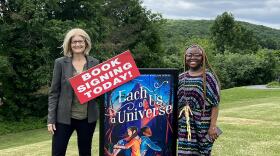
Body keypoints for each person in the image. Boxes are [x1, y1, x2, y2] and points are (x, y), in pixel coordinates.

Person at [47, 28, 100, 156]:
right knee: (58, 152)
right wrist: (51, 119)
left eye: (80, 41)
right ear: (69, 44)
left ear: (86, 43)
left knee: (85, 152)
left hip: (87, 119)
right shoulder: (60, 63)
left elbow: (100, 89)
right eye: (74, 42)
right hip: (64, 118)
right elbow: (54, 92)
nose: (77, 44)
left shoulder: (95, 62)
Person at [177, 44, 220, 156]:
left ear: (203, 58)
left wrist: (213, 126)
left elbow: (215, 104)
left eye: (197, 55)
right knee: (184, 152)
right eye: (189, 55)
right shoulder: (181, 77)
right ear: (185, 58)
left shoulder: (208, 77)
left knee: (202, 153)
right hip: (184, 124)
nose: (192, 58)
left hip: (202, 124)